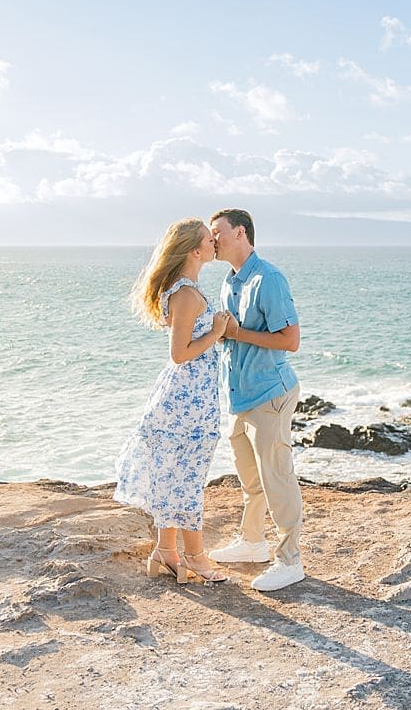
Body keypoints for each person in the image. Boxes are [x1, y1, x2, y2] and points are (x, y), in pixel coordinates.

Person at [113, 217, 234, 584]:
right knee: (188, 479)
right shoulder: (185, 294)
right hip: (186, 400)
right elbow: (180, 354)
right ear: (195, 251)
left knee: (174, 477)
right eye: (207, 239)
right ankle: (194, 557)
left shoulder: (188, 290)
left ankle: (166, 553)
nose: (214, 241)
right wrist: (216, 331)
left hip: (189, 396)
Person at [207, 208, 305, 591]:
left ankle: (289, 560)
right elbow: (232, 336)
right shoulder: (230, 282)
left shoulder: (269, 279)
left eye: (218, 232)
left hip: (270, 393)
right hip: (241, 396)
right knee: (251, 479)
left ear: (241, 233)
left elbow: (290, 341)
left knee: (276, 477)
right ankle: (253, 542)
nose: (212, 240)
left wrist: (235, 332)